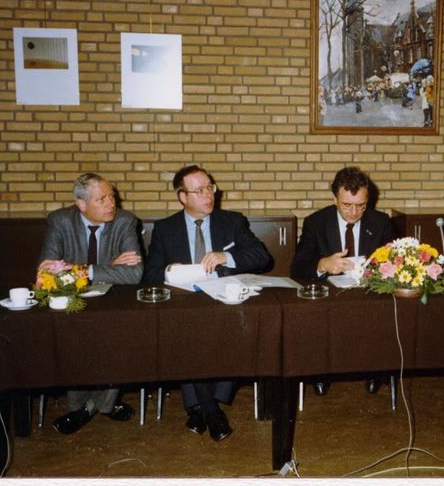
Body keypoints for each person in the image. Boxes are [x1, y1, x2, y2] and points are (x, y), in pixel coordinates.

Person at [142, 165, 271, 442]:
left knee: (238, 330)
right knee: (185, 333)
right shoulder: (165, 228)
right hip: (184, 304)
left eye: (210, 188)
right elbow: (149, 274)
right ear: (182, 197)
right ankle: (211, 409)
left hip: (224, 302)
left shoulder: (232, 221)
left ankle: (200, 409)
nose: (208, 195)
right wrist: (168, 270)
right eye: (199, 191)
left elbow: (262, 257)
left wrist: (227, 257)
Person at [39, 172, 143, 434]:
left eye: (112, 197)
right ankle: (91, 405)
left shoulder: (125, 221)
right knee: (74, 337)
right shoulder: (60, 221)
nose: (111, 204)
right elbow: (47, 274)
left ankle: (89, 408)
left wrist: (80, 270)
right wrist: (108, 267)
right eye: (102, 199)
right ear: (81, 204)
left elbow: (134, 275)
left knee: (120, 336)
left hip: (114, 303)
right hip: (73, 305)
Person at [291, 166, 396, 395]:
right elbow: (297, 267)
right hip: (329, 297)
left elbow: (393, 262)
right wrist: (322, 264)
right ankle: (321, 371)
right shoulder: (316, 222)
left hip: (368, 294)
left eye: (361, 205)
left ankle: (375, 370)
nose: (354, 212)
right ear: (334, 199)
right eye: (347, 205)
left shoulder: (380, 222)